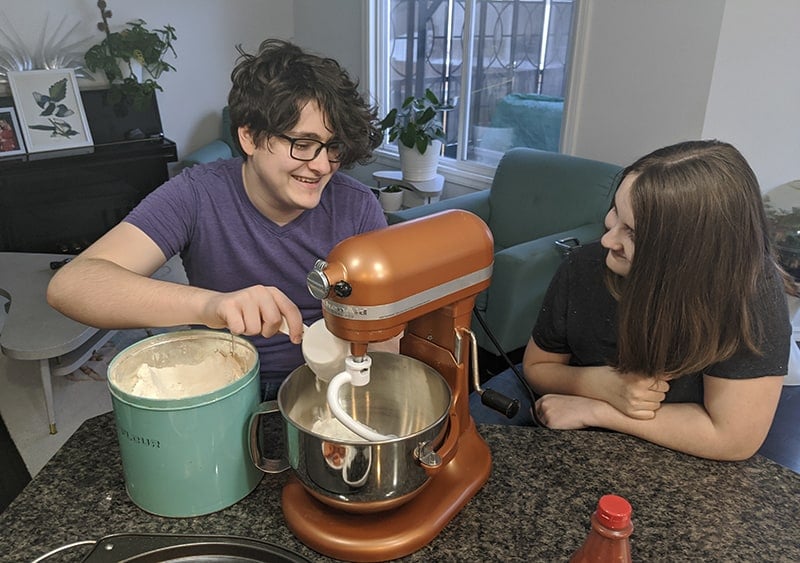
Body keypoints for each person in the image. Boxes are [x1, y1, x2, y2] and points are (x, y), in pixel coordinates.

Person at [47, 39, 387, 400]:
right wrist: (211, 305)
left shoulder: (358, 207)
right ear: (250, 137)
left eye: (333, 148)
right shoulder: (196, 194)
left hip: (330, 382)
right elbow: (72, 285)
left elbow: (386, 326)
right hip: (224, 381)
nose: (322, 166)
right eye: (302, 145)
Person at [470, 139, 795, 461]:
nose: (608, 238)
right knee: (465, 435)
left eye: (634, 233)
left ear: (690, 255)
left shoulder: (751, 296)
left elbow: (733, 438)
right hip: (570, 391)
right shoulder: (584, 266)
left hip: (673, 435)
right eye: (615, 211)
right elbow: (537, 368)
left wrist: (600, 411)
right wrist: (600, 384)